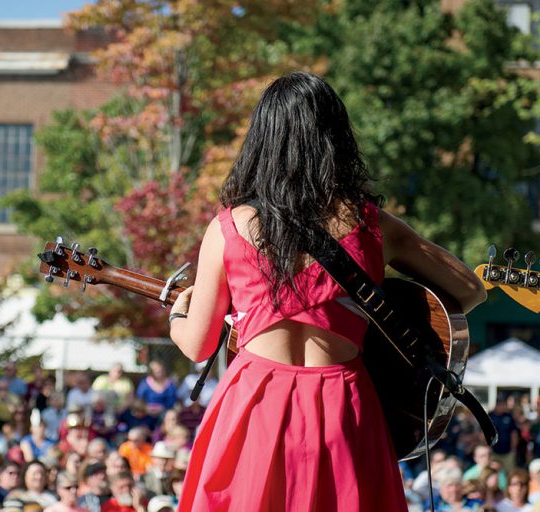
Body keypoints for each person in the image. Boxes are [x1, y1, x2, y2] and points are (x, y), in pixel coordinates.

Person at [167, 72, 487, 511]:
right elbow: (469, 291)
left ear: (263, 138)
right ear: (336, 138)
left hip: (253, 406)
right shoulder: (373, 225)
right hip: (344, 403)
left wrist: (177, 315)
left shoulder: (228, 227)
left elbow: (198, 344)